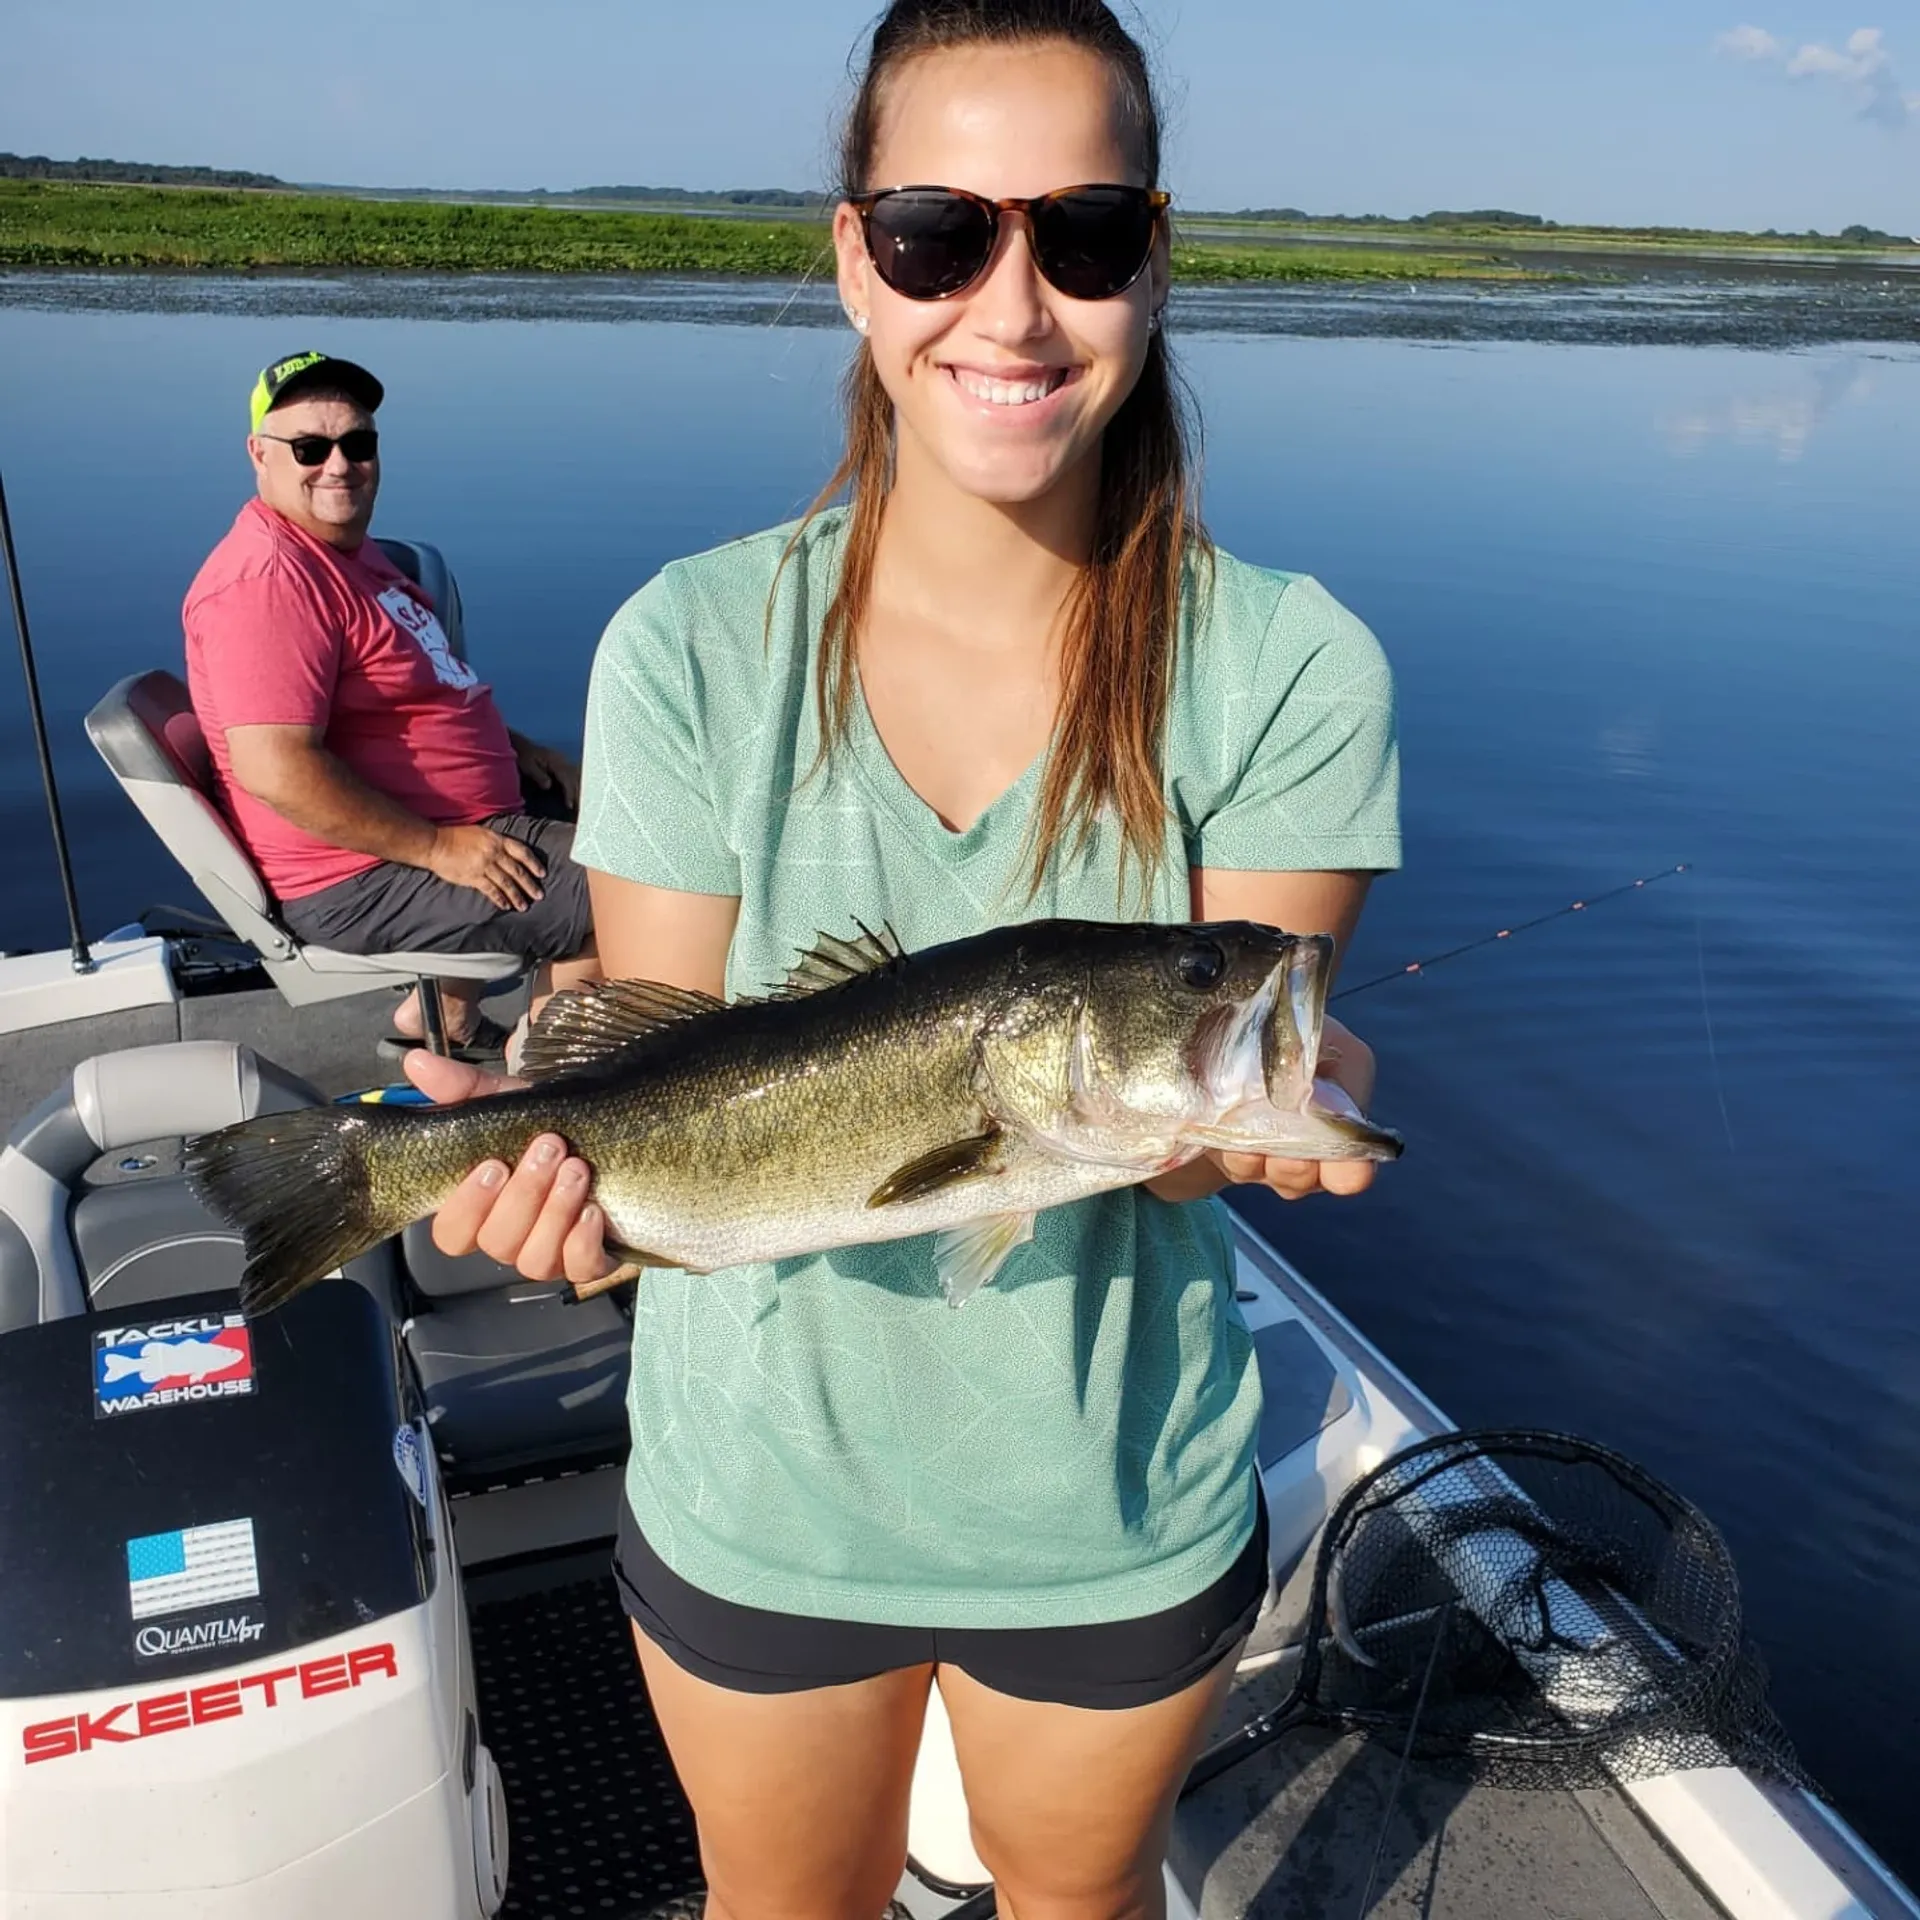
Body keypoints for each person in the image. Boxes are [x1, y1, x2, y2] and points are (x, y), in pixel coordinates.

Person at [411, 3, 1400, 1914]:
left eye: (1087, 233)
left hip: (1109, 1508)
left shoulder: (1288, 666)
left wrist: (1285, 1104)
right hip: (756, 1497)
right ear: (858, 256)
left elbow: (1240, 1074)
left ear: (1156, 255)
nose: (1014, 307)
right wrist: (561, 1200)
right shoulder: (689, 649)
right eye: (946, 233)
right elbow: (653, 1078)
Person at [182, 349, 598, 1060]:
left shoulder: (347, 552)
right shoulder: (268, 583)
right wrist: (440, 850)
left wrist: (519, 748)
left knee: (648, 819)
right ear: (259, 454)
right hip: (355, 877)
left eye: (358, 442)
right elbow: (275, 769)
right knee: (638, 892)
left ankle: (440, 1020)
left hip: (445, 824)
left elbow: (421, 691)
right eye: (310, 447)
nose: (338, 464)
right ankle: (543, 1089)